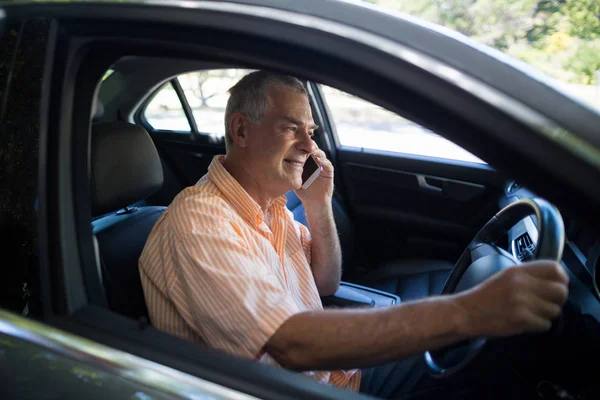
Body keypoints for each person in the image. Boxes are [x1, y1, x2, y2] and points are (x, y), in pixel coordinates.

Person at [138, 70, 570, 399]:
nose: (309, 146)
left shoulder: (269, 207)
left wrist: (318, 203)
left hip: (330, 373)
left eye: (311, 132)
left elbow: (324, 284)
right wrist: (469, 312)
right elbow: (291, 345)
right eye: (291, 128)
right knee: (487, 360)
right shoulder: (200, 222)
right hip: (297, 387)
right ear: (241, 131)